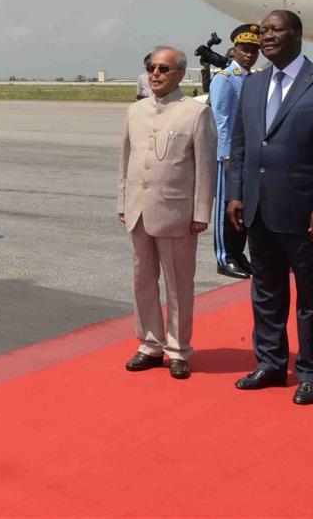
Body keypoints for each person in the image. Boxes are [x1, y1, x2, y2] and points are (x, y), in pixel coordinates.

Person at [227, 9, 313, 406]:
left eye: (275, 29)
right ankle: (270, 363)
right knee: (266, 293)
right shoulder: (253, 84)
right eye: (263, 31)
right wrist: (236, 194)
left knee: (312, 299)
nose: (266, 37)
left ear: (298, 34)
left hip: (307, 215)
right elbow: (241, 145)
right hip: (259, 210)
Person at [117, 46, 215, 379]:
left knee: (178, 285)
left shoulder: (195, 113)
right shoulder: (136, 111)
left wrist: (202, 211)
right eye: (151, 68)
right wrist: (123, 202)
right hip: (139, 211)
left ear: (178, 74)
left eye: (164, 68)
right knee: (143, 281)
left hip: (176, 213)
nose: (156, 74)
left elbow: (205, 167)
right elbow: (125, 160)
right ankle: (149, 344)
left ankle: (177, 349)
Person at [208, 24, 261, 279]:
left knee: (244, 207)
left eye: (254, 50)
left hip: (250, 155)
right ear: (235, 50)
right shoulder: (225, 79)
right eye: (245, 49)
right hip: (229, 157)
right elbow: (221, 119)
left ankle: (238, 254)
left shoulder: (254, 78)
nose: (249, 54)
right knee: (225, 208)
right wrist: (226, 154)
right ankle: (224, 257)